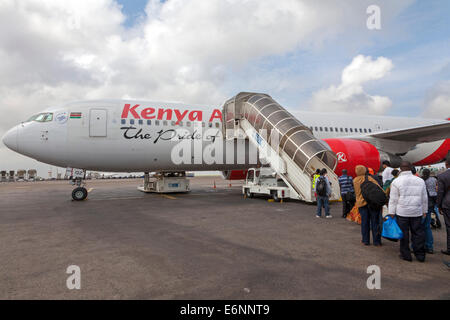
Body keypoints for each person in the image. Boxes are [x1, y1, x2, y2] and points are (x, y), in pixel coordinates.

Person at [389, 161, 427, 262]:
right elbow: (424, 198)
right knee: (418, 233)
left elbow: (393, 199)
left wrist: (391, 212)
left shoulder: (396, 181)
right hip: (417, 211)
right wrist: (425, 210)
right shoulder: (420, 180)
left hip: (402, 212)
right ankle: (420, 255)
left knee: (404, 234)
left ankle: (406, 255)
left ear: (400, 169)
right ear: (411, 168)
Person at [353, 165, 383, 246]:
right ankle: (376, 241)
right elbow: (379, 188)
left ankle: (365, 240)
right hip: (372, 203)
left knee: (364, 222)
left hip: (361, 204)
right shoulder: (370, 178)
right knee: (375, 222)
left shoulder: (355, 180)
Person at [437, 156, 450, 256]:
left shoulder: (443, 176)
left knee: (449, 227)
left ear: (446, 165)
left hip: (447, 204)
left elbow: (440, 192)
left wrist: (439, 205)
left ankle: (449, 248)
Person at [421, 168, 437, 254]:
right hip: (430, 203)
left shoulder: (421, 180)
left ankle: (418, 245)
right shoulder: (433, 179)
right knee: (427, 226)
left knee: (419, 226)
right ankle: (429, 246)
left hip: (422, 205)